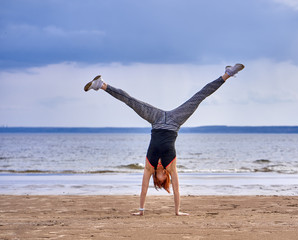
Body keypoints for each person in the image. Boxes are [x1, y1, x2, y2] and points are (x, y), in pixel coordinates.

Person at [84, 63, 245, 216]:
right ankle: (228, 74)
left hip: (156, 120)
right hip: (175, 121)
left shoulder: (149, 166)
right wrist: (177, 211)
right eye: (163, 181)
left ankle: (102, 85)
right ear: (165, 178)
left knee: (132, 102)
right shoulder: (171, 167)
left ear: (156, 178)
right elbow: (177, 190)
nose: (161, 178)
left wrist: (141, 210)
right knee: (198, 97)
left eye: (159, 181)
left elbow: (144, 189)